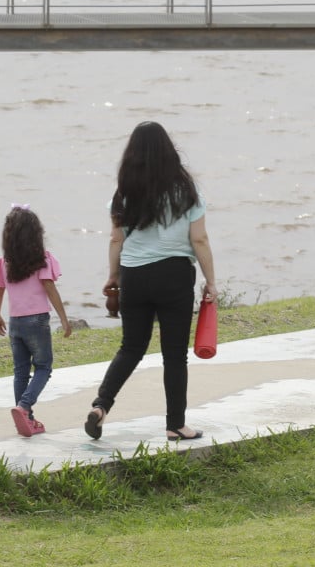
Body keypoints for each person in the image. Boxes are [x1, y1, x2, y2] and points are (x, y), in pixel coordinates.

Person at [86, 121, 217, 443]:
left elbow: (117, 240)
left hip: (135, 275)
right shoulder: (187, 192)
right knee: (174, 354)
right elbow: (199, 240)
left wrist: (113, 276)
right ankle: (176, 425)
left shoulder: (125, 194)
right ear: (169, 152)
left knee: (130, 347)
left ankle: (101, 406)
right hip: (174, 275)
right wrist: (211, 282)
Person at [0, 204, 72, 437]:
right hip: (36, 321)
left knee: (21, 372)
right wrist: (64, 320)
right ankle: (24, 407)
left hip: (15, 323)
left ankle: (26, 419)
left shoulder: (4, 262)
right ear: (37, 234)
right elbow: (50, 289)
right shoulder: (42, 260)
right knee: (44, 367)